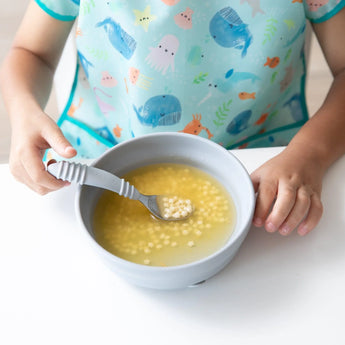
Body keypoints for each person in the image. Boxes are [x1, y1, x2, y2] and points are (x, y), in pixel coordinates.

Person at [1, 0, 345, 237]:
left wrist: (311, 153)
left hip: (262, 161)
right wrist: (23, 111)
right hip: (98, 156)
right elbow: (31, 52)